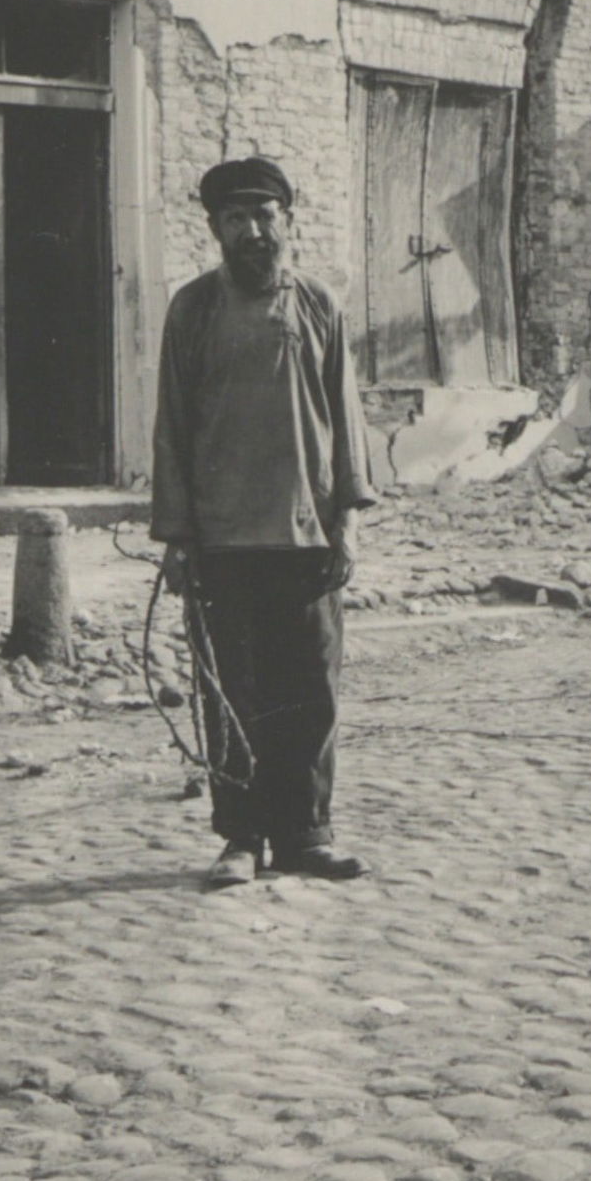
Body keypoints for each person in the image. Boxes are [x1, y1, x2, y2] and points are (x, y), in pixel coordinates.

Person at [149, 155, 378, 889]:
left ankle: (306, 835)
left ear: (289, 220)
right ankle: (242, 839)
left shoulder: (318, 307)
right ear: (216, 229)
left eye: (264, 216)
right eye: (236, 219)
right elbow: (172, 428)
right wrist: (177, 538)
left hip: (305, 534)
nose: (253, 231)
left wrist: (348, 521)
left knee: (310, 691)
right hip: (222, 541)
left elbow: (346, 420)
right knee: (231, 694)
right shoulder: (192, 310)